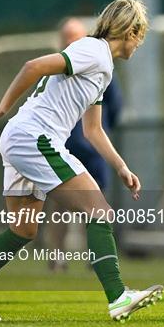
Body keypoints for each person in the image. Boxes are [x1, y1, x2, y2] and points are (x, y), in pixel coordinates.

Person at [0, 0, 163, 323]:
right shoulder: (92, 50)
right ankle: (118, 297)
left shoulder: (102, 68)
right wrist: (0, 109)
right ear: (130, 30)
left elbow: (93, 130)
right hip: (33, 138)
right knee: (99, 210)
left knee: (23, 229)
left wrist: (121, 166)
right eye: (140, 35)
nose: (140, 43)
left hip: (22, 138)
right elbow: (32, 67)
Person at [47, 17, 123, 272]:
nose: (71, 41)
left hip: (92, 151)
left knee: (95, 203)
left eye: (76, 36)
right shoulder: (54, 69)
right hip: (60, 148)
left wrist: (101, 133)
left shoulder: (101, 69)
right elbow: (31, 70)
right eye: (67, 36)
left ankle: (97, 257)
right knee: (58, 207)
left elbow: (113, 109)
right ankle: (57, 257)